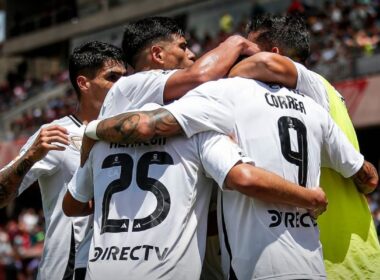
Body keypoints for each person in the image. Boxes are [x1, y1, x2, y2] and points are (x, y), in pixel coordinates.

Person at [82, 74, 377, 279]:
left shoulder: (219, 99)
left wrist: (91, 130)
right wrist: (313, 194)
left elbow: (74, 205)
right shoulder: (312, 106)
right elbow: (368, 177)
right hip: (312, 261)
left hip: (256, 266)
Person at [63, 101, 328, 279]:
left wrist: (119, 208)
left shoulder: (101, 143)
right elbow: (244, 178)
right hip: (164, 272)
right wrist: (310, 196)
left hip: (102, 270)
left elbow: (71, 206)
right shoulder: (197, 132)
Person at [229, 14, 380, 279]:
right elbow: (367, 178)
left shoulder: (311, 85)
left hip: (334, 259)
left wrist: (221, 73)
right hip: (352, 255)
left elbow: (267, 65)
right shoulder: (320, 95)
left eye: (247, 53)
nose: (243, 61)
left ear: (275, 54)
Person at [0, 41, 127, 280]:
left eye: (124, 77)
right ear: (83, 83)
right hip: (66, 270)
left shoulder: (133, 132)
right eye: (112, 77)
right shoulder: (55, 134)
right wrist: (30, 156)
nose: (122, 85)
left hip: (119, 266)